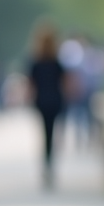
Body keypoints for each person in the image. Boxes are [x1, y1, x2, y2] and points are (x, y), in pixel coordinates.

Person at [28, 23, 66, 188]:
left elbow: (31, 85)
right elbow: (65, 83)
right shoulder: (57, 62)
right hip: (56, 100)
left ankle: (46, 161)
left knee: (45, 132)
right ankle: (50, 162)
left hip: (41, 101)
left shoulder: (35, 62)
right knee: (53, 132)